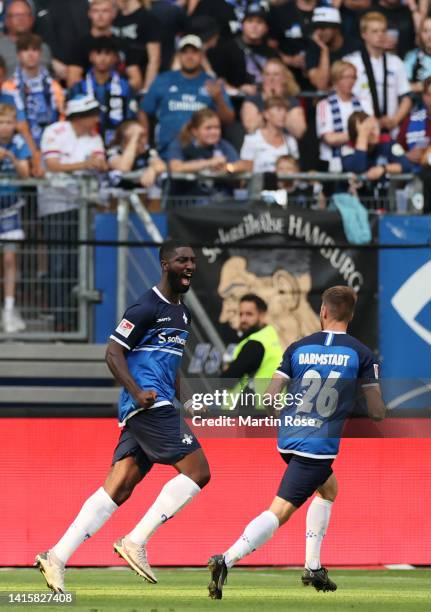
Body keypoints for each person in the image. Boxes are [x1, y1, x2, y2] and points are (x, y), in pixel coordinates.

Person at [35, 240, 211, 593]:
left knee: (119, 487)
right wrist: (136, 392)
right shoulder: (145, 306)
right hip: (147, 405)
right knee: (198, 472)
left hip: (159, 403)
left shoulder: (183, 313)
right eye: (181, 260)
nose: (189, 265)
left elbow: (169, 364)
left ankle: (56, 557)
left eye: (192, 260)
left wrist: (184, 400)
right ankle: (135, 541)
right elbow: (113, 352)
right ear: (165, 264)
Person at [207, 285, 386, 599]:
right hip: (317, 446)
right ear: (352, 315)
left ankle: (313, 566)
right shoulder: (360, 353)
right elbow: (376, 411)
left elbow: (270, 397)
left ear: (323, 312)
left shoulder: (298, 347)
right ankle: (227, 559)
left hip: (288, 438)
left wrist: (293, 416)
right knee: (280, 511)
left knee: (328, 489)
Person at [39, 95, 107, 332]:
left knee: (78, 263)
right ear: (81, 116)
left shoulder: (95, 136)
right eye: (93, 113)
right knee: (59, 262)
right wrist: (85, 164)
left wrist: (92, 164)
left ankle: (74, 318)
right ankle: (60, 318)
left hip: (84, 206)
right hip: (56, 204)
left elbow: (101, 163)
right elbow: (52, 165)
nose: (97, 118)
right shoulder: (55, 131)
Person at [140, 34, 234, 159]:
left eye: (194, 52)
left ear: (201, 56)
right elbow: (144, 110)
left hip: (203, 152)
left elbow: (229, 120)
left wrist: (218, 99)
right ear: (179, 56)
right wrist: (145, 140)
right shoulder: (163, 80)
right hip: (166, 150)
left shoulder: (211, 83)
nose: (189, 57)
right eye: (185, 52)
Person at [343, 12, 412, 134]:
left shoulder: (396, 62)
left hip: (391, 130)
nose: (380, 35)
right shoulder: (351, 62)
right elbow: (344, 97)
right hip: (360, 130)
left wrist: (395, 120)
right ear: (364, 34)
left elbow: (406, 98)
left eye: (383, 31)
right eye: (375, 31)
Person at [68, 36, 138, 147]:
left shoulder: (125, 87)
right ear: (91, 57)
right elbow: (71, 120)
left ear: (115, 58)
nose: (102, 58)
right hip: (84, 142)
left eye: (107, 54)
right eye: (98, 53)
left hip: (117, 143)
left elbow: (131, 118)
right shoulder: (79, 87)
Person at [220, 293, 283, 409]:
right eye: (241, 314)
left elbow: (227, 380)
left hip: (251, 413)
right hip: (268, 409)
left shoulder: (255, 343)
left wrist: (228, 368)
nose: (243, 319)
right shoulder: (269, 337)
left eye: (249, 314)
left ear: (262, 315)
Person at [0, 102, 30, 333]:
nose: (5, 127)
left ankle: (9, 309)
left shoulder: (19, 144)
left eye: (9, 122)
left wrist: (9, 156)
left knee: (10, 259)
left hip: (10, 209)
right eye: (1, 122)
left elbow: (26, 174)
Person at [3, 33, 64, 148]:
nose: (30, 54)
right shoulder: (9, 86)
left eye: (34, 50)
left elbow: (61, 115)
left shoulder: (53, 85)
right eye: (25, 50)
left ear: (40, 53)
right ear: (19, 55)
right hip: (19, 143)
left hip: (52, 141)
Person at [66, 0, 140, 90]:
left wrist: (117, 90)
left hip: (117, 99)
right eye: (96, 11)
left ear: (114, 13)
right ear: (89, 14)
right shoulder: (79, 45)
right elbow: (72, 81)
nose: (100, 16)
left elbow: (136, 81)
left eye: (105, 11)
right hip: (87, 99)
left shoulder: (123, 44)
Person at [206, 2, 279, 93]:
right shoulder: (226, 49)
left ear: (266, 28)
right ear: (242, 25)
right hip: (235, 102)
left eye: (259, 22)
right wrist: (238, 90)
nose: (254, 26)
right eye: (250, 21)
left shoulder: (272, 53)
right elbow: (217, 79)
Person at [240, 57, 306, 140]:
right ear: (263, 78)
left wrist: (280, 101)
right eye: (267, 74)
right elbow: (250, 128)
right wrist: (269, 101)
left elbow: (299, 131)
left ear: (284, 78)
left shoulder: (292, 101)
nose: (271, 79)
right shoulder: (253, 100)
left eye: (276, 74)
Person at [316, 60, 363, 172]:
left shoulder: (364, 103)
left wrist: (343, 136)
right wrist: (360, 133)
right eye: (346, 77)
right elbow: (330, 138)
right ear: (336, 79)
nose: (350, 81)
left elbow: (372, 132)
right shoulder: (324, 105)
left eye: (353, 77)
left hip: (358, 158)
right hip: (333, 162)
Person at [305, 7, 360, 91]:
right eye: (315, 28)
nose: (318, 33)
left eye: (323, 28)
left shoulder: (355, 46)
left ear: (336, 28)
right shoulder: (313, 48)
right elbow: (321, 85)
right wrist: (324, 50)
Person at [240, 96, 299, 174]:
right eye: (279, 110)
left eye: (286, 110)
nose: (283, 114)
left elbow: (295, 171)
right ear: (266, 114)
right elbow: (246, 171)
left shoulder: (291, 141)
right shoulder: (252, 140)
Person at [112, 0, 161, 92]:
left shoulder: (148, 19)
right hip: (115, 83)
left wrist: (146, 91)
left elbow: (154, 60)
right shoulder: (115, 17)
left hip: (139, 83)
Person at [108, 119, 166, 188]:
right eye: (139, 137)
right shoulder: (114, 152)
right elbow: (124, 167)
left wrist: (152, 169)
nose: (143, 141)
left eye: (143, 136)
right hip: (119, 196)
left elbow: (162, 166)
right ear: (125, 140)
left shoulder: (148, 152)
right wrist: (134, 136)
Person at [0, 0, 51, 77]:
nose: (21, 19)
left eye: (25, 15)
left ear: (32, 19)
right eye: (16, 15)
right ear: (7, 20)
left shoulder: (43, 48)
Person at [398, 76, 431, 168]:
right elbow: (396, 148)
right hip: (414, 174)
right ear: (423, 96)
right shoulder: (411, 120)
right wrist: (406, 155)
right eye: (429, 94)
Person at [404, 17, 431, 93]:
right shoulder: (412, 57)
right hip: (417, 101)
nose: (429, 35)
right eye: (425, 31)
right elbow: (402, 86)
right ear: (420, 34)